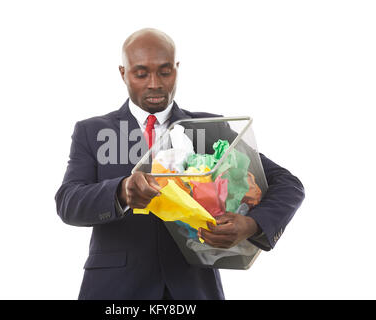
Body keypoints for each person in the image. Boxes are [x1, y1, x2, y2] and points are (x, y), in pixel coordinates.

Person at [55, 28, 305, 300]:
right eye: (141, 73)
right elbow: (68, 201)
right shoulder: (91, 132)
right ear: (123, 72)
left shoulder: (209, 129)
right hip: (115, 290)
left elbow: (287, 183)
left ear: (177, 69)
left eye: (165, 72)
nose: (155, 83)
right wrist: (121, 191)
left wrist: (251, 224)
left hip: (193, 288)